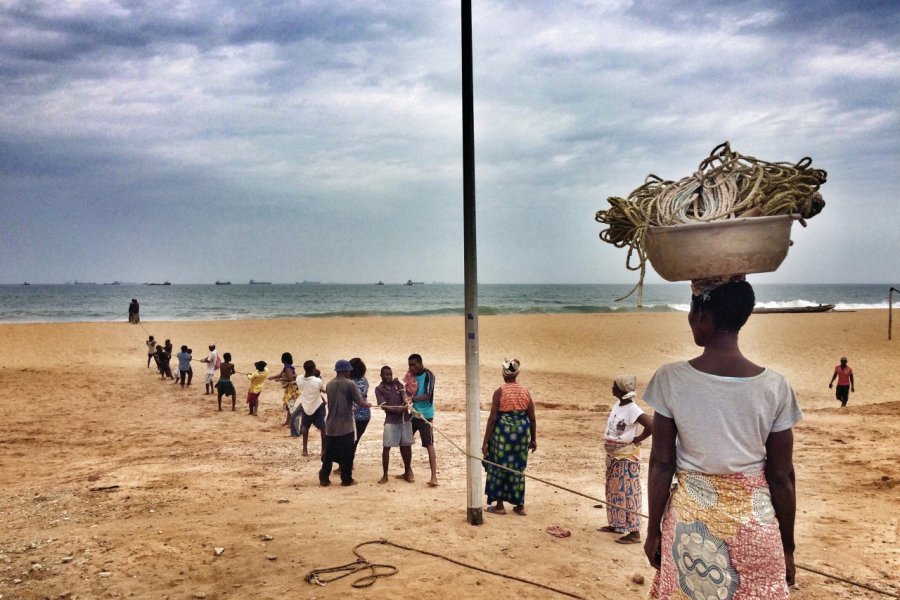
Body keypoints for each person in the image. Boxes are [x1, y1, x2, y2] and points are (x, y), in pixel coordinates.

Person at [643, 279, 802, 598]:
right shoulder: (775, 386)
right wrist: (787, 547)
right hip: (756, 529)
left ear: (702, 315)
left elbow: (662, 463)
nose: (690, 320)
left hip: (692, 529)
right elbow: (782, 476)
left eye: (691, 311)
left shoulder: (671, 379)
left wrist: (653, 531)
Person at [598, 374, 652, 544]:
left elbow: (651, 425)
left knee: (628, 492)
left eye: (614, 385)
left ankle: (634, 532)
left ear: (620, 389)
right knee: (614, 490)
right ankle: (617, 523)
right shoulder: (619, 404)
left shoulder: (633, 409)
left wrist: (638, 438)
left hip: (626, 458)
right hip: (615, 456)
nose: (612, 388)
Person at [481, 358, 537, 515]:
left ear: (504, 374)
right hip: (521, 435)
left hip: (503, 435)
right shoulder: (525, 391)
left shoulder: (500, 391)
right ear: (516, 374)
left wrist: (485, 442)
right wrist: (533, 439)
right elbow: (531, 417)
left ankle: (499, 506)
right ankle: (520, 506)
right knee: (518, 468)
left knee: (499, 467)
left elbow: (492, 418)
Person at [319, 359, 369, 487]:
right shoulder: (350, 384)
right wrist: (367, 404)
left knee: (328, 453)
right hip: (345, 425)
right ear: (346, 371)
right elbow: (360, 402)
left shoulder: (329, 384)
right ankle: (346, 480)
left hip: (330, 424)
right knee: (347, 453)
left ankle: (324, 478)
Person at [404, 353, 438, 487]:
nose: (412, 368)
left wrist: (413, 399)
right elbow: (406, 391)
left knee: (429, 444)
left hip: (426, 415)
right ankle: (408, 471)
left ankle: (434, 477)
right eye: (410, 366)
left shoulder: (429, 375)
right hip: (413, 413)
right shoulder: (410, 375)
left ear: (420, 363)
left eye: (414, 365)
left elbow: (428, 394)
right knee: (405, 441)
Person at [375, 365, 413, 484]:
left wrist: (405, 400)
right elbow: (383, 406)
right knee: (386, 448)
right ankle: (385, 475)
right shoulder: (379, 389)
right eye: (386, 374)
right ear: (381, 376)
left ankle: (407, 473)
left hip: (404, 420)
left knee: (407, 446)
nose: (389, 377)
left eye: (390, 374)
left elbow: (405, 397)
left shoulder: (398, 385)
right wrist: (400, 409)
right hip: (391, 421)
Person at [292, 361, 327, 456]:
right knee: (323, 428)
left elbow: (296, 378)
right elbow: (324, 390)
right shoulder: (317, 381)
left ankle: (305, 449)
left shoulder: (299, 378)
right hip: (317, 406)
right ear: (313, 369)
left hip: (305, 406)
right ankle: (323, 450)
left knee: (306, 427)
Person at [269, 352, 299, 427]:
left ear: (283, 360)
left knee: (289, 406)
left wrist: (280, 379)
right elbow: (280, 374)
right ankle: (288, 422)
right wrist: (273, 377)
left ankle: (291, 423)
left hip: (292, 389)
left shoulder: (288, 368)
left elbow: (290, 378)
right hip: (290, 389)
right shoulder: (287, 367)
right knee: (288, 406)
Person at [350, 358, 371, 447]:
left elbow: (356, 401)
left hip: (351, 417)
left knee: (348, 443)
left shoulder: (350, 382)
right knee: (353, 443)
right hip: (364, 416)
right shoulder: (364, 380)